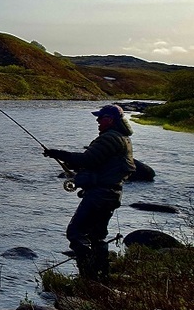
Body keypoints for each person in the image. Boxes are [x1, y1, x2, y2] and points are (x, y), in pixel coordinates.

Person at [43, 104, 136, 280]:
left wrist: (58, 153)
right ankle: (102, 275)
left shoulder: (110, 138)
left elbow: (88, 159)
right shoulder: (122, 138)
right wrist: (72, 164)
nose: (98, 120)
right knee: (97, 236)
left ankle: (88, 276)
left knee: (76, 232)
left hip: (99, 195)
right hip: (111, 194)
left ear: (110, 119)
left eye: (101, 117)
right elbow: (97, 163)